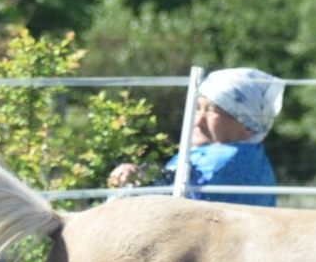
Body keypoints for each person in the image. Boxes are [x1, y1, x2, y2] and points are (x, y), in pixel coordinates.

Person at [107, 67, 284, 207]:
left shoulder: (224, 158)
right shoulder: (254, 155)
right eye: (198, 107)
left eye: (212, 110)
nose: (198, 120)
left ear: (247, 125)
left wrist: (135, 175)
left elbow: (164, 195)